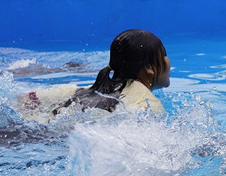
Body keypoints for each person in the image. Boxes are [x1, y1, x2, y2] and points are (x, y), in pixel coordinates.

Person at [17, 29, 170, 121]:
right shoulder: (146, 104)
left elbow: (28, 99)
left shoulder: (83, 91)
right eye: (164, 55)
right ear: (149, 67)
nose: (167, 61)